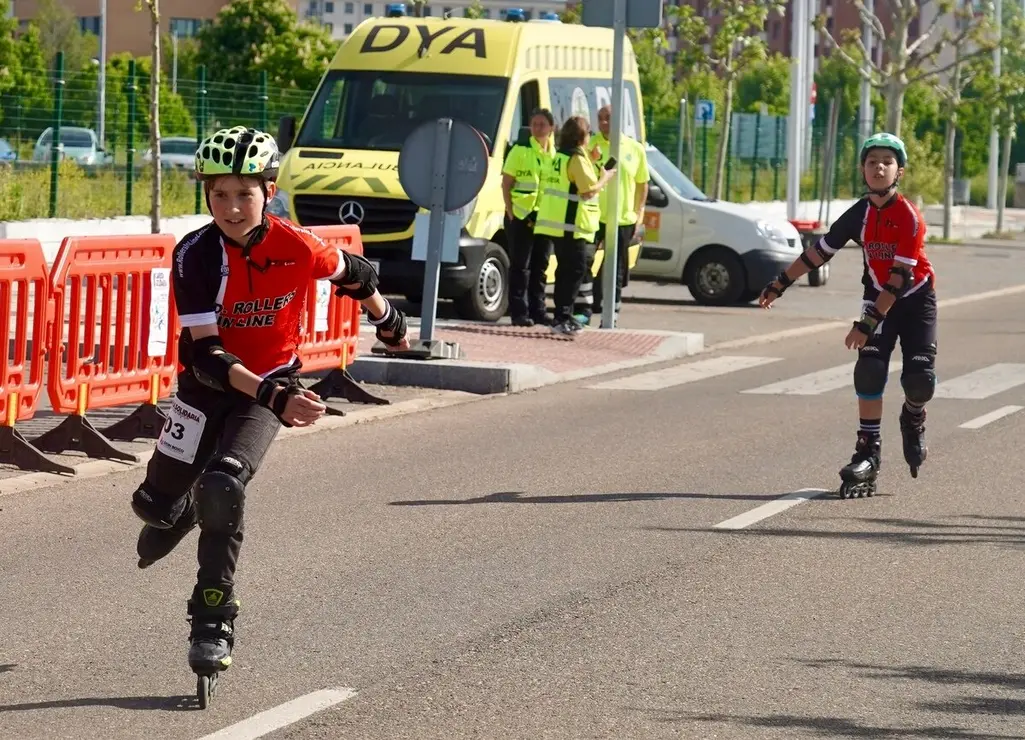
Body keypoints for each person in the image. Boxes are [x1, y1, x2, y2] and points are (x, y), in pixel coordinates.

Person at [128, 126, 410, 680]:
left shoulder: (296, 245)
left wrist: (387, 318)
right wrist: (273, 393)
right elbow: (207, 356)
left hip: (267, 389)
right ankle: (179, 508)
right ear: (206, 194)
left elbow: (354, 272)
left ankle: (213, 619)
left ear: (270, 190)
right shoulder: (195, 255)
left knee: (223, 484)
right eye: (219, 195)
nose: (231, 208)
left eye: (245, 194)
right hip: (208, 390)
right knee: (153, 508)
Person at [757, 132, 936, 499]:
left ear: (898, 170)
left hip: (916, 301)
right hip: (878, 297)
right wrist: (780, 283)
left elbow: (900, 278)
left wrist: (868, 323)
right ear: (863, 170)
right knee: (869, 368)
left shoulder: (909, 216)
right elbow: (819, 252)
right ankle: (868, 450)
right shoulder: (860, 213)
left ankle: (913, 416)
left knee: (920, 381)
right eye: (872, 162)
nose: (879, 168)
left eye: (887, 162)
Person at [534, 115, 616, 336]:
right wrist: (606, 178)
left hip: (558, 225)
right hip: (572, 226)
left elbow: (575, 178)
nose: (590, 137)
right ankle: (563, 317)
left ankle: (562, 316)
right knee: (575, 270)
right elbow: (587, 190)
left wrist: (592, 159)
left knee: (564, 271)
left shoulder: (561, 156)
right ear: (582, 136)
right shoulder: (577, 159)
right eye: (588, 133)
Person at [574, 104, 650, 327]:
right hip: (593, 216)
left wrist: (639, 213)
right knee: (584, 261)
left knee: (614, 270)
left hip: (623, 219)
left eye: (608, 118)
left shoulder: (634, 149)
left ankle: (611, 316)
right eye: (600, 118)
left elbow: (642, 184)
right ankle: (584, 311)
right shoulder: (591, 146)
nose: (604, 123)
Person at [501, 108, 556, 326]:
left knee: (540, 267)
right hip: (521, 216)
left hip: (545, 218)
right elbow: (506, 182)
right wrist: (510, 211)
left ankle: (538, 310)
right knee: (520, 267)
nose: (537, 128)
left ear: (551, 128)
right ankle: (519, 313)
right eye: (534, 124)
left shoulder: (555, 155)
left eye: (542, 124)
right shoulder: (520, 150)